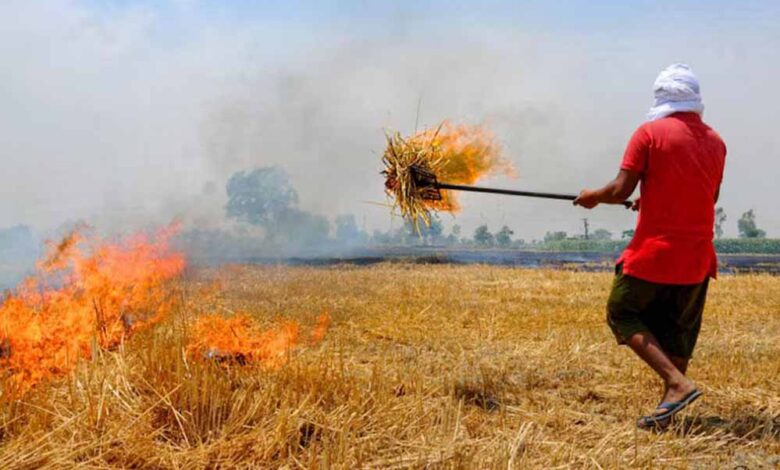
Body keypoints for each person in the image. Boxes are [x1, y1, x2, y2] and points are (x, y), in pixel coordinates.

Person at [573, 63, 726, 429]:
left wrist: (593, 195)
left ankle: (676, 384)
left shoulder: (649, 133)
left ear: (661, 97)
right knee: (677, 332)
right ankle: (668, 411)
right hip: (697, 258)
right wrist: (653, 198)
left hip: (656, 254)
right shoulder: (717, 142)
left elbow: (620, 190)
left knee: (621, 311)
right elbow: (706, 196)